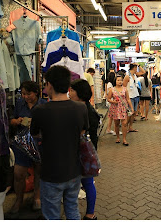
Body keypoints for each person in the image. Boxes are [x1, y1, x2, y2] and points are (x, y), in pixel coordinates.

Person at [30, 65, 89, 220]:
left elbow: (34, 134)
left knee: (52, 215)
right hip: (74, 170)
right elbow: (82, 132)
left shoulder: (40, 111)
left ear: (49, 84)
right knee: (72, 209)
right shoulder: (81, 108)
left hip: (51, 173)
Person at [7, 80, 43, 217]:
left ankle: (37, 197)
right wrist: (16, 121)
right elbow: (12, 120)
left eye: (28, 94)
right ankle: (18, 200)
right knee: (18, 174)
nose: (25, 96)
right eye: (23, 94)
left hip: (38, 143)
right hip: (21, 144)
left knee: (38, 172)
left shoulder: (43, 105)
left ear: (36, 92)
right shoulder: (20, 104)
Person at [69, 78, 98, 221]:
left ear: (79, 93)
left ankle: (89, 214)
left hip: (83, 153)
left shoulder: (84, 109)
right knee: (87, 183)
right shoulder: (83, 107)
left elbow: (86, 134)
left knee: (86, 182)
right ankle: (89, 214)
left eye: (72, 90)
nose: (69, 92)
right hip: (84, 152)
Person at [106, 73, 131, 146]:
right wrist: (113, 101)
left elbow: (128, 99)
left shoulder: (125, 89)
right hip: (115, 108)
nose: (120, 81)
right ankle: (117, 137)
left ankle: (124, 139)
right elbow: (108, 99)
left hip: (123, 108)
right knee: (116, 124)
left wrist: (131, 108)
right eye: (118, 80)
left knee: (124, 124)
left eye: (121, 80)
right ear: (115, 81)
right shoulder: (112, 89)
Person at [125, 64, 141, 134]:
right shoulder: (127, 76)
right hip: (130, 97)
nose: (137, 69)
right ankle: (125, 126)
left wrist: (139, 65)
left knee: (134, 112)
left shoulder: (135, 75)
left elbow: (143, 72)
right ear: (134, 68)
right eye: (136, 68)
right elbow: (124, 87)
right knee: (130, 113)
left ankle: (130, 127)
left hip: (136, 95)